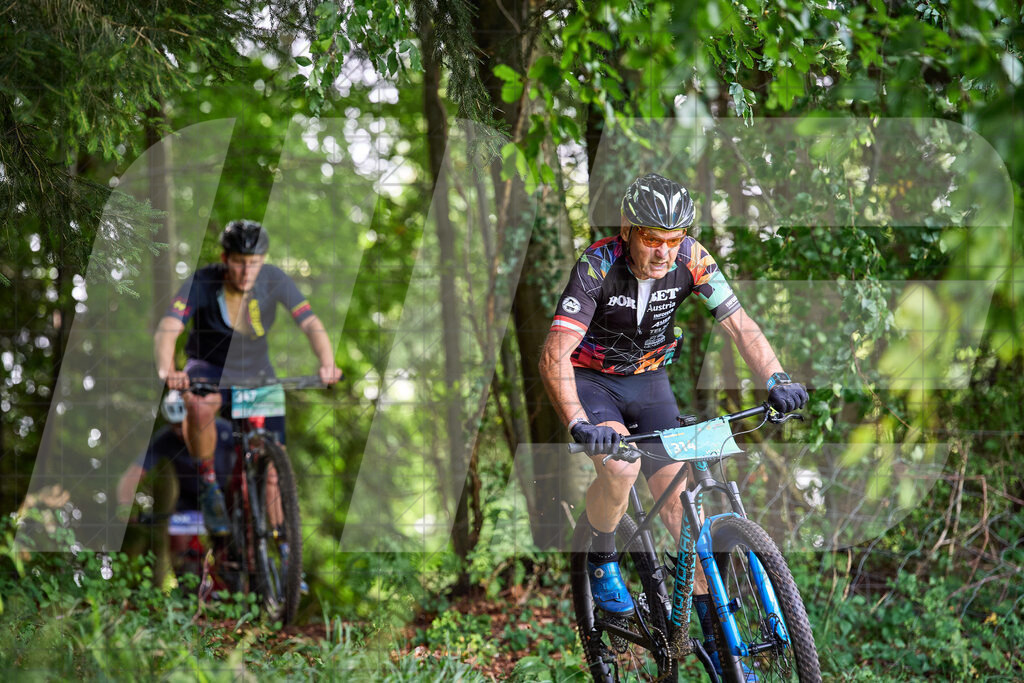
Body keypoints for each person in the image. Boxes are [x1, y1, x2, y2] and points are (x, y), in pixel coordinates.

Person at [539, 173, 808, 680]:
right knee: (620, 467)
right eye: (652, 238)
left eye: (673, 238)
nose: (664, 251)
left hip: (650, 382)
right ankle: (601, 557)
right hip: (594, 383)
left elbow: (739, 324)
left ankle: (719, 654)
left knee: (686, 523)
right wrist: (577, 420)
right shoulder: (597, 266)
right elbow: (554, 353)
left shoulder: (693, 259)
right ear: (628, 229)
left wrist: (776, 378)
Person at [153, 220, 342, 536]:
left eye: (253, 263)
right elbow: (169, 328)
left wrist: (327, 363)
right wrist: (168, 371)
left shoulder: (274, 280)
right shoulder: (202, 281)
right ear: (225, 258)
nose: (246, 272)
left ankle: (285, 555)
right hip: (208, 369)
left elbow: (310, 323)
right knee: (198, 407)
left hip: (257, 374)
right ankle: (210, 485)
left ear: (263, 261)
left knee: (273, 473)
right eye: (239, 263)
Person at [117, 390, 234, 589]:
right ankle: (188, 586)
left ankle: (239, 578)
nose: (180, 431)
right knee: (178, 538)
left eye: (183, 424)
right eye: (174, 426)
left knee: (235, 543)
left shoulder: (222, 429)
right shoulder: (164, 440)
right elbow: (134, 473)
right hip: (189, 501)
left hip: (227, 496)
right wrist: (124, 505)